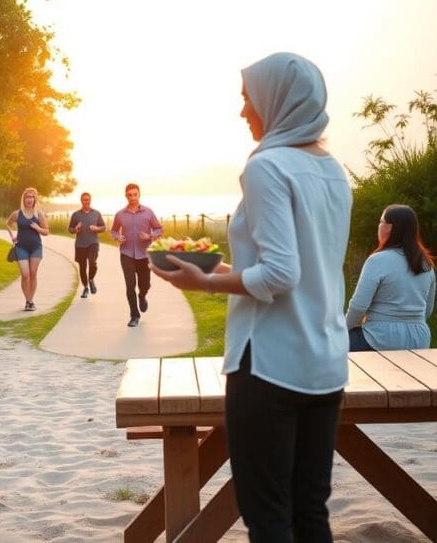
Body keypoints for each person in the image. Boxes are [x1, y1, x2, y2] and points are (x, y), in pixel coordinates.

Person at [151, 53, 352, 541]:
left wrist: (205, 283)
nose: (243, 112)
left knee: (268, 518)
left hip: (269, 367)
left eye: (248, 99)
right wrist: (215, 268)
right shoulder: (332, 171)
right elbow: (300, 270)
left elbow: (281, 274)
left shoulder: (267, 166)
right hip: (324, 363)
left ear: (276, 101)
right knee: (310, 511)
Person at [346, 204, 435, 351]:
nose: (379, 226)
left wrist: (341, 331)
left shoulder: (378, 260)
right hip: (419, 338)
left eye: (381, 222)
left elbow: (358, 307)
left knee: (326, 347)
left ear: (390, 227)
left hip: (380, 337)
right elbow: (428, 309)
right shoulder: (426, 264)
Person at [110, 183, 162, 327]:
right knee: (130, 285)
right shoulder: (120, 214)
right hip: (126, 254)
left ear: (139, 195)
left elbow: (159, 229)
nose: (132, 197)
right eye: (129, 194)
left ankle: (142, 295)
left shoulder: (148, 212)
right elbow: (113, 230)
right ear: (126, 196)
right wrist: (117, 237)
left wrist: (149, 236)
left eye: (135, 194)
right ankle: (134, 315)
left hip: (144, 254)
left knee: (145, 284)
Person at [5, 187, 49, 311]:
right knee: (25, 274)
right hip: (21, 247)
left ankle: (30, 301)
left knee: (33, 273)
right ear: (23, 199)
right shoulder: (17, 213)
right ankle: (28, 300)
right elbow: (7, 223)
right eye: (27, 197)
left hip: (36, 247)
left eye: (31, 197)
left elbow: (46, 231)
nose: (29, 199)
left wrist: (38, 228)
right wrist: (12, 236)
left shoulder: (38, 213)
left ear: (35, 199)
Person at [68, 192, 106, 298]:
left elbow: (103, 227)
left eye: (88, 199)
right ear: (81, 201)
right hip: (80, 244)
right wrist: (75, 229)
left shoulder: (96, 213)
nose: (86, 201)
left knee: (93, 263)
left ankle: (91, 279)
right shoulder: (76, 215)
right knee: (82, 267)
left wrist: (97, 229)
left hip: (93, 243)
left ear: (90, 200)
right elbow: (70, 229)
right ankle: (85, 288)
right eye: (84, 199)